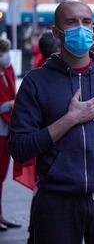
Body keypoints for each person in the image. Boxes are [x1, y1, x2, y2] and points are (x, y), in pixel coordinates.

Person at [8, 0, 94, 244]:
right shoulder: (36, 82)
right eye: (71, 22)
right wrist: (70, 119)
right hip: (56, 201)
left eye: (86, 22)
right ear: (56, 32)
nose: (81, 28)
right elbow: (20, 148)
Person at [0, 38, 21, 232]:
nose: (6, 56)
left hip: (6, 129)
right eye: (3, 52)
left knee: (2, 173)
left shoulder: (8, 71)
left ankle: (1, 214)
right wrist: (7, 106)